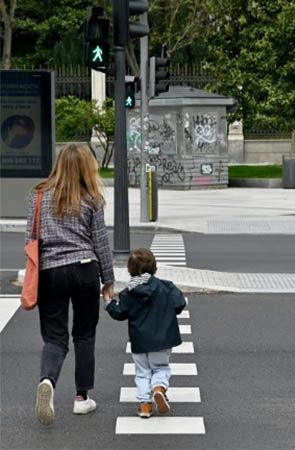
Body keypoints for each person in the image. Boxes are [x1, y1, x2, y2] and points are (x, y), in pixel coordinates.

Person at [27, 143, 114, 426]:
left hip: (51, 271)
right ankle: (81, 398)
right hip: (85, 268)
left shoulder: (39, 196)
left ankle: (48, 381)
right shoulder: (92, 199)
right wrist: (108, 281)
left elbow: (31, 237)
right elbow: (101, 242)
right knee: (84, 334)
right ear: (87, 167)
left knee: (54, 337)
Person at [105, 248, 188, 418]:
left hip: (139, 341)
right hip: (163, 339)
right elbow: (179, 303)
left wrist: (108, 302)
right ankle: (158, 388)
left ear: (130, 270)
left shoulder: (128, 293)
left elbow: (119, 313)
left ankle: (145, 406)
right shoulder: (166, 286)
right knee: (160, 367)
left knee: (142, 372)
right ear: (154, 267)